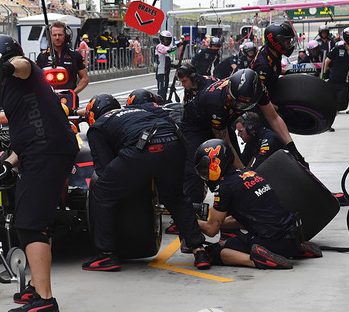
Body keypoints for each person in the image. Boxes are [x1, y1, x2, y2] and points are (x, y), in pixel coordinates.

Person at [0, 34, 78, 312]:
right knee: (36, 221)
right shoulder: (12, 89)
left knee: (30, 224)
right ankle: (37, 287)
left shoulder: (23, 71)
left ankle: (45, 299)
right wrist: (9, 163)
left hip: (46, 151)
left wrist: (7, 67)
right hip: (40, 150)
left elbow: (22, 65)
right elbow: (27, 129)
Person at [83, 94, 211, 271]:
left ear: (92, 114)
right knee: (176, 197)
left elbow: (104, 169)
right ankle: (199, 250)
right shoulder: (136, 110)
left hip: (144, 146)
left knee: (102, 191)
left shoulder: (98, 127)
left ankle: (106, 255)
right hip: (175, 142)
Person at [180, 68, 303, 218]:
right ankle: (190, 221)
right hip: (196, 127)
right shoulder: (215, 100)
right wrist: (245, 175)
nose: (237, 105)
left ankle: (232, 224)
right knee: (198, 171)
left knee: (234, 175)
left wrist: (292, 147)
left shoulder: (260, 90)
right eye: (234, 101)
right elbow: (223, 143)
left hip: (224, 123)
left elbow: (274, 118)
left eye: (242, 104)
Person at [194, 139, 321, 269]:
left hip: (271, 240)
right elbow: (245, 219)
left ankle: (257, 259)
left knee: (213, 252)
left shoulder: (225, 187)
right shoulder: (250, 173)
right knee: (244, 238)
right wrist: (218, 222)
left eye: (205, 170)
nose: (205, 175)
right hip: (292, 236)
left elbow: (211, 230)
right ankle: (295, 249)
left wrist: (188, 221)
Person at [35, 21, 88, 95]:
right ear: (50, 37)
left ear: (66, 36)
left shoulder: (75, 55)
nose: (57, 38)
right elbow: (35, 79)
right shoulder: (42, 56)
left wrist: (73, 93)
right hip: (49, 100)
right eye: (54, 35)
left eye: (60, 35)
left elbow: (85, 78)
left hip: (69, 101)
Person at [251, 22, 296, 99]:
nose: (289, 45)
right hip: (263, 100)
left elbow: (274, 69)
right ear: (277, 42)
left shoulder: (272, 52)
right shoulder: (263, 66)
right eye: (287, 42)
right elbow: (260, 98)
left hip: (271, 91)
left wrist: (292, 72)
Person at [322, 26, 349, 113]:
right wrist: (324, 73)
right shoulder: (338, 49)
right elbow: (327, 61)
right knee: (331, 104)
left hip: (345, 82)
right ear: (346, 39)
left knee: (342, 105)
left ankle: (330, 122)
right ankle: (329, 124)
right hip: (333, 80)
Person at [155, 30, 173, 101]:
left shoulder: (167, 47)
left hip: (166, 73)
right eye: (165, 39)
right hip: (161, 72)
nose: (167, 41)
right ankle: (160, 103)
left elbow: (169, 57)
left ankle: (164, 101)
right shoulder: (160, 46)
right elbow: (168, 50)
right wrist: (178, 45)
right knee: (161, 91)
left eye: (168, 39)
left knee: (165, 89)